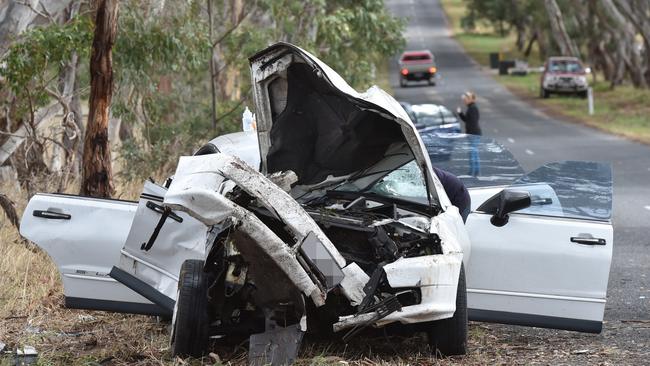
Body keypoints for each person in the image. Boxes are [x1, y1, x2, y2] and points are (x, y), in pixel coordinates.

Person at [456, 91, 481, 176]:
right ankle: (474, 171)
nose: (464, 100)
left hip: (473, 134)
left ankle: (474, 172)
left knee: (473, 153)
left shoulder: (473, 108)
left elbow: (472, 123)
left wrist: (469, 133)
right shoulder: (471, 108)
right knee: (473, 153)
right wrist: (460, 113)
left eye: (466, 99)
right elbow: (467, 120)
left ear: (471, 99)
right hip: (473, 134)